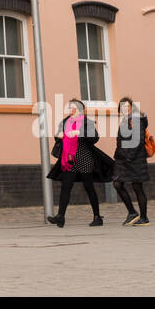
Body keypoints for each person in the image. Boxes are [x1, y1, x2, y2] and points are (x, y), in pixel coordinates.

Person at [46, 98, 114, 228]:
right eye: (70, 107)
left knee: (89, 187)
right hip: (69, 158)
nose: (71, 110)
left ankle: (97, 216)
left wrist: (79, 132)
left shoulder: (87, 122)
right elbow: (58, 135)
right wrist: (58, 135)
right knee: (66, 186)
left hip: (84, 157)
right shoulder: (65, 122)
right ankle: (60, 217)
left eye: (74, 108)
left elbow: (95, 137)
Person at [113, 96, 151, 226]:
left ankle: (144, 217)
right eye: (122, 106)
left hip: (135, 160)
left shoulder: (136, 120)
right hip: (124, 159)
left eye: (127, 106)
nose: (124, 108)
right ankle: (132, 212)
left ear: (131, 107)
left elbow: (138, 141)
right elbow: (120, 140)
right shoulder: (125, 120)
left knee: (137, 187)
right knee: (117, 183)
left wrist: (129, 157)